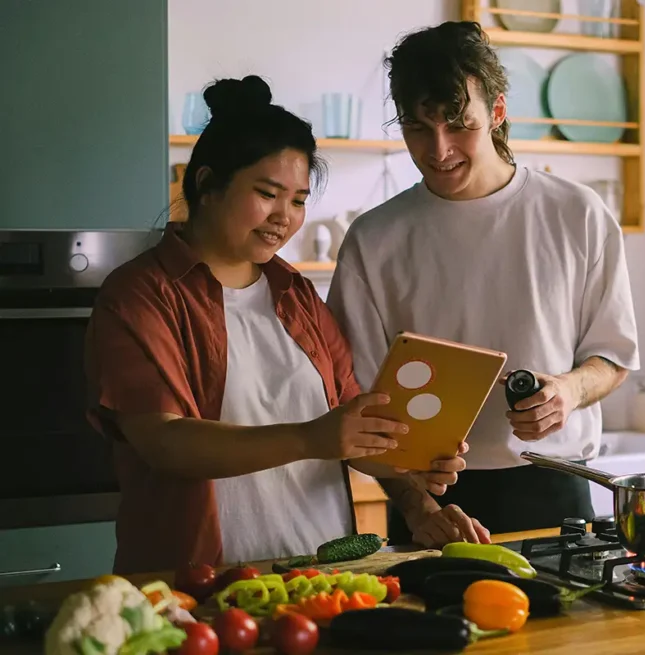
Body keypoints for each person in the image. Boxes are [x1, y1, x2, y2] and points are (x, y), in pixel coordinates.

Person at [84, 75, 466, 574]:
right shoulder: (140, 295)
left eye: (300, 200)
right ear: (206, 184)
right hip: (197, 583)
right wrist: (312, 439)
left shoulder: (298, 294)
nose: (284, 217)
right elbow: (165, 442)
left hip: (323, 578)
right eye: (268, 193)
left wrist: (418, 494)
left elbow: (348, 427)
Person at [326, 22, 640, 547]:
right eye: (418, 128)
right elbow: (355, 404)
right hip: (431, 499)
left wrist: (568, 389)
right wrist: (416, 503)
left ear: (496, 112)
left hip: (558, 488)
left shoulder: (576, 214)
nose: (439, 148)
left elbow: (613, 358)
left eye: (458, 125)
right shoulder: (373, 239)